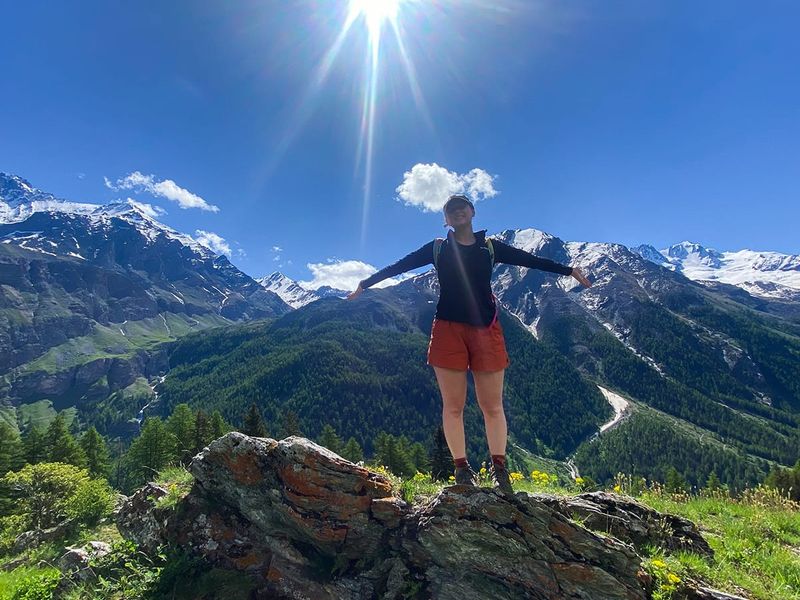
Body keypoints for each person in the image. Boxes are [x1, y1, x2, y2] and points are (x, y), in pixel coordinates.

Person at [347, 194, 592, 494]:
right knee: (453, 406)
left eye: (461, 206)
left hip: (485, 329)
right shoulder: (438, 248)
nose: (457, 211)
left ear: (472, 211)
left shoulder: (490, 247)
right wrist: (365, 284)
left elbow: (529, 259)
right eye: (450, 209)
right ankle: (462, 469)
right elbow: (400, 266)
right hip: (448, 329)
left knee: (492, 405)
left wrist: (568, 270)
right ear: (446, 220)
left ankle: (499, 470)